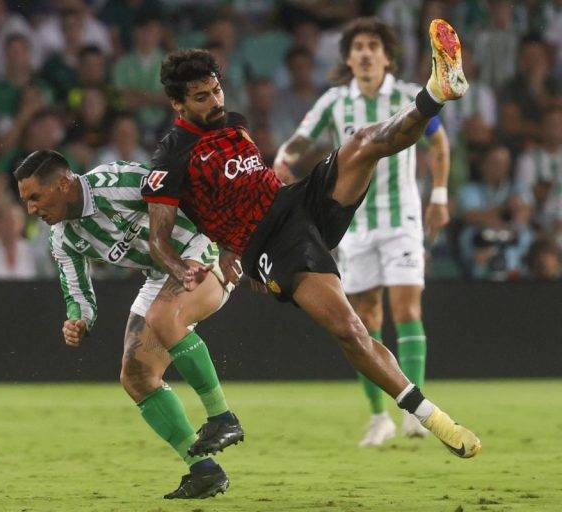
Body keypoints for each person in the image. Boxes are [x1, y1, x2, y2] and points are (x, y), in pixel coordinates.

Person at [143, 20, 481, 460]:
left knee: (364, 142)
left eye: (217, 90)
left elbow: (230, 192)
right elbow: (158, 239)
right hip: (272, 246)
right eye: (202, 97)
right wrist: (191, 264)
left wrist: (226, 241)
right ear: (177, 103)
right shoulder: (171, 155)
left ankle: (436, 91)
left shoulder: (234, 124)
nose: (216, 102)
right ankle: (434, 419)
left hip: (296, 202)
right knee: (350, 329)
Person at [14, 151, 243, 499]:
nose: (31, 209)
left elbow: (194, 192)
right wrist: (79, 319)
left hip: (202, 247)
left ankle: (222, 417)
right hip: (161, 275)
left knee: (163, 316)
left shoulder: (117, 182)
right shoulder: (63, 238)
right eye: (26, 201)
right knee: (136, 377)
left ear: (62, 184)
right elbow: (78, 294)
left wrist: (230, 243)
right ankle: (204, 471)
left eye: (35, 197)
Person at [273, 17, 451, 446]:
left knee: (407, 310)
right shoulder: (335, 102)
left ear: (388, 57)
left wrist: (440, 195)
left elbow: (439, 143)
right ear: (349, 59)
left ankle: (413, 414)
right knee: (363, 319)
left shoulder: (408, 96)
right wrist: (283, 159)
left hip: (402, 219)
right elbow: (299, 140)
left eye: (373, 46)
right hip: (351, 225)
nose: (366, 53)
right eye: (358, 47)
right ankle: (378, 417)